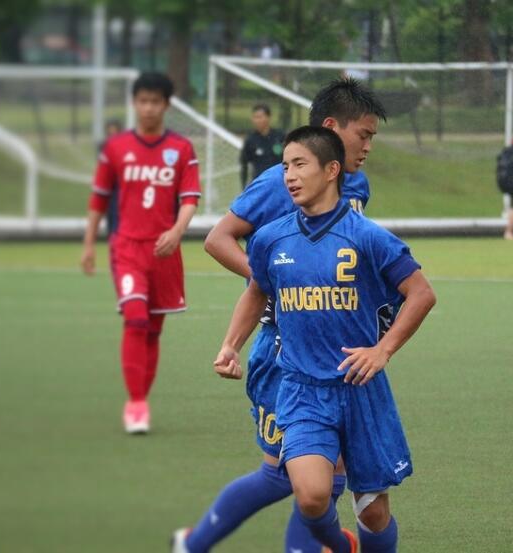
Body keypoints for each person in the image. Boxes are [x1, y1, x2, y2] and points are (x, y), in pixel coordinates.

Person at [174, 78, 386, 553]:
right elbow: (218, 239)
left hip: (330, 345)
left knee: (319, 472)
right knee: (285, 474)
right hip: (282, 349)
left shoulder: (356, 185)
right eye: (363, 135)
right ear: (331, 127)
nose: (369, 146)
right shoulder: (280, 182)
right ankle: (193, 542)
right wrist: (272, 282)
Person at [214, 126, 435, 552]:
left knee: (373, 511)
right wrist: (230, 345)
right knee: (311, 497)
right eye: (285, 166)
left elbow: (421, 293)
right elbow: (257, 291)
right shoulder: (270, 238)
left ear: (331, 170)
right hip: (301, 389)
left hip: (360, 390)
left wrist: (383, 350)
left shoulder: (367, 236)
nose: (289, 176)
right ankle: (341, 544)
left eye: (299, 165)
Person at [80, 72, 201, 432]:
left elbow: (190, 198)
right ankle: (136, 404)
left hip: (163, 250)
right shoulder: (116, 148)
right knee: (135, 318)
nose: (148, 108)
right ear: (134, 103)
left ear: (166, 105)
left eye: (155, 101)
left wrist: (176, 232)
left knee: (152, 329)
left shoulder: (181, 149)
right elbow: (98, 198)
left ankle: (140, 397)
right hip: (127, 247)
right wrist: (89, 243)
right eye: (143, 101)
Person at [239, 103, 286, 188]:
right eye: (255, 117)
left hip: (280, 183)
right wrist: (244, 187)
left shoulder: (280, 137)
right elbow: (244, 164)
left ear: (268, 117)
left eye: (260, 117)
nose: (257, 120)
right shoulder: (250, 140)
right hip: (260, 184)